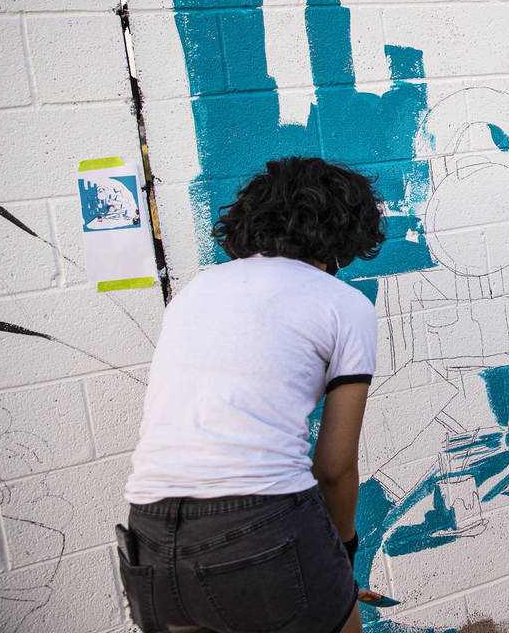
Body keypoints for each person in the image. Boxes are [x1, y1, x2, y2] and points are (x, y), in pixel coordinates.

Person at [119, 156, 387, 633]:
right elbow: (335, 467)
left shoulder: (195, 292)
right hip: (262, 527)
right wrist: (342, 550)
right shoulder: (344, 304)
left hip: (152, 539)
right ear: (347, 231)